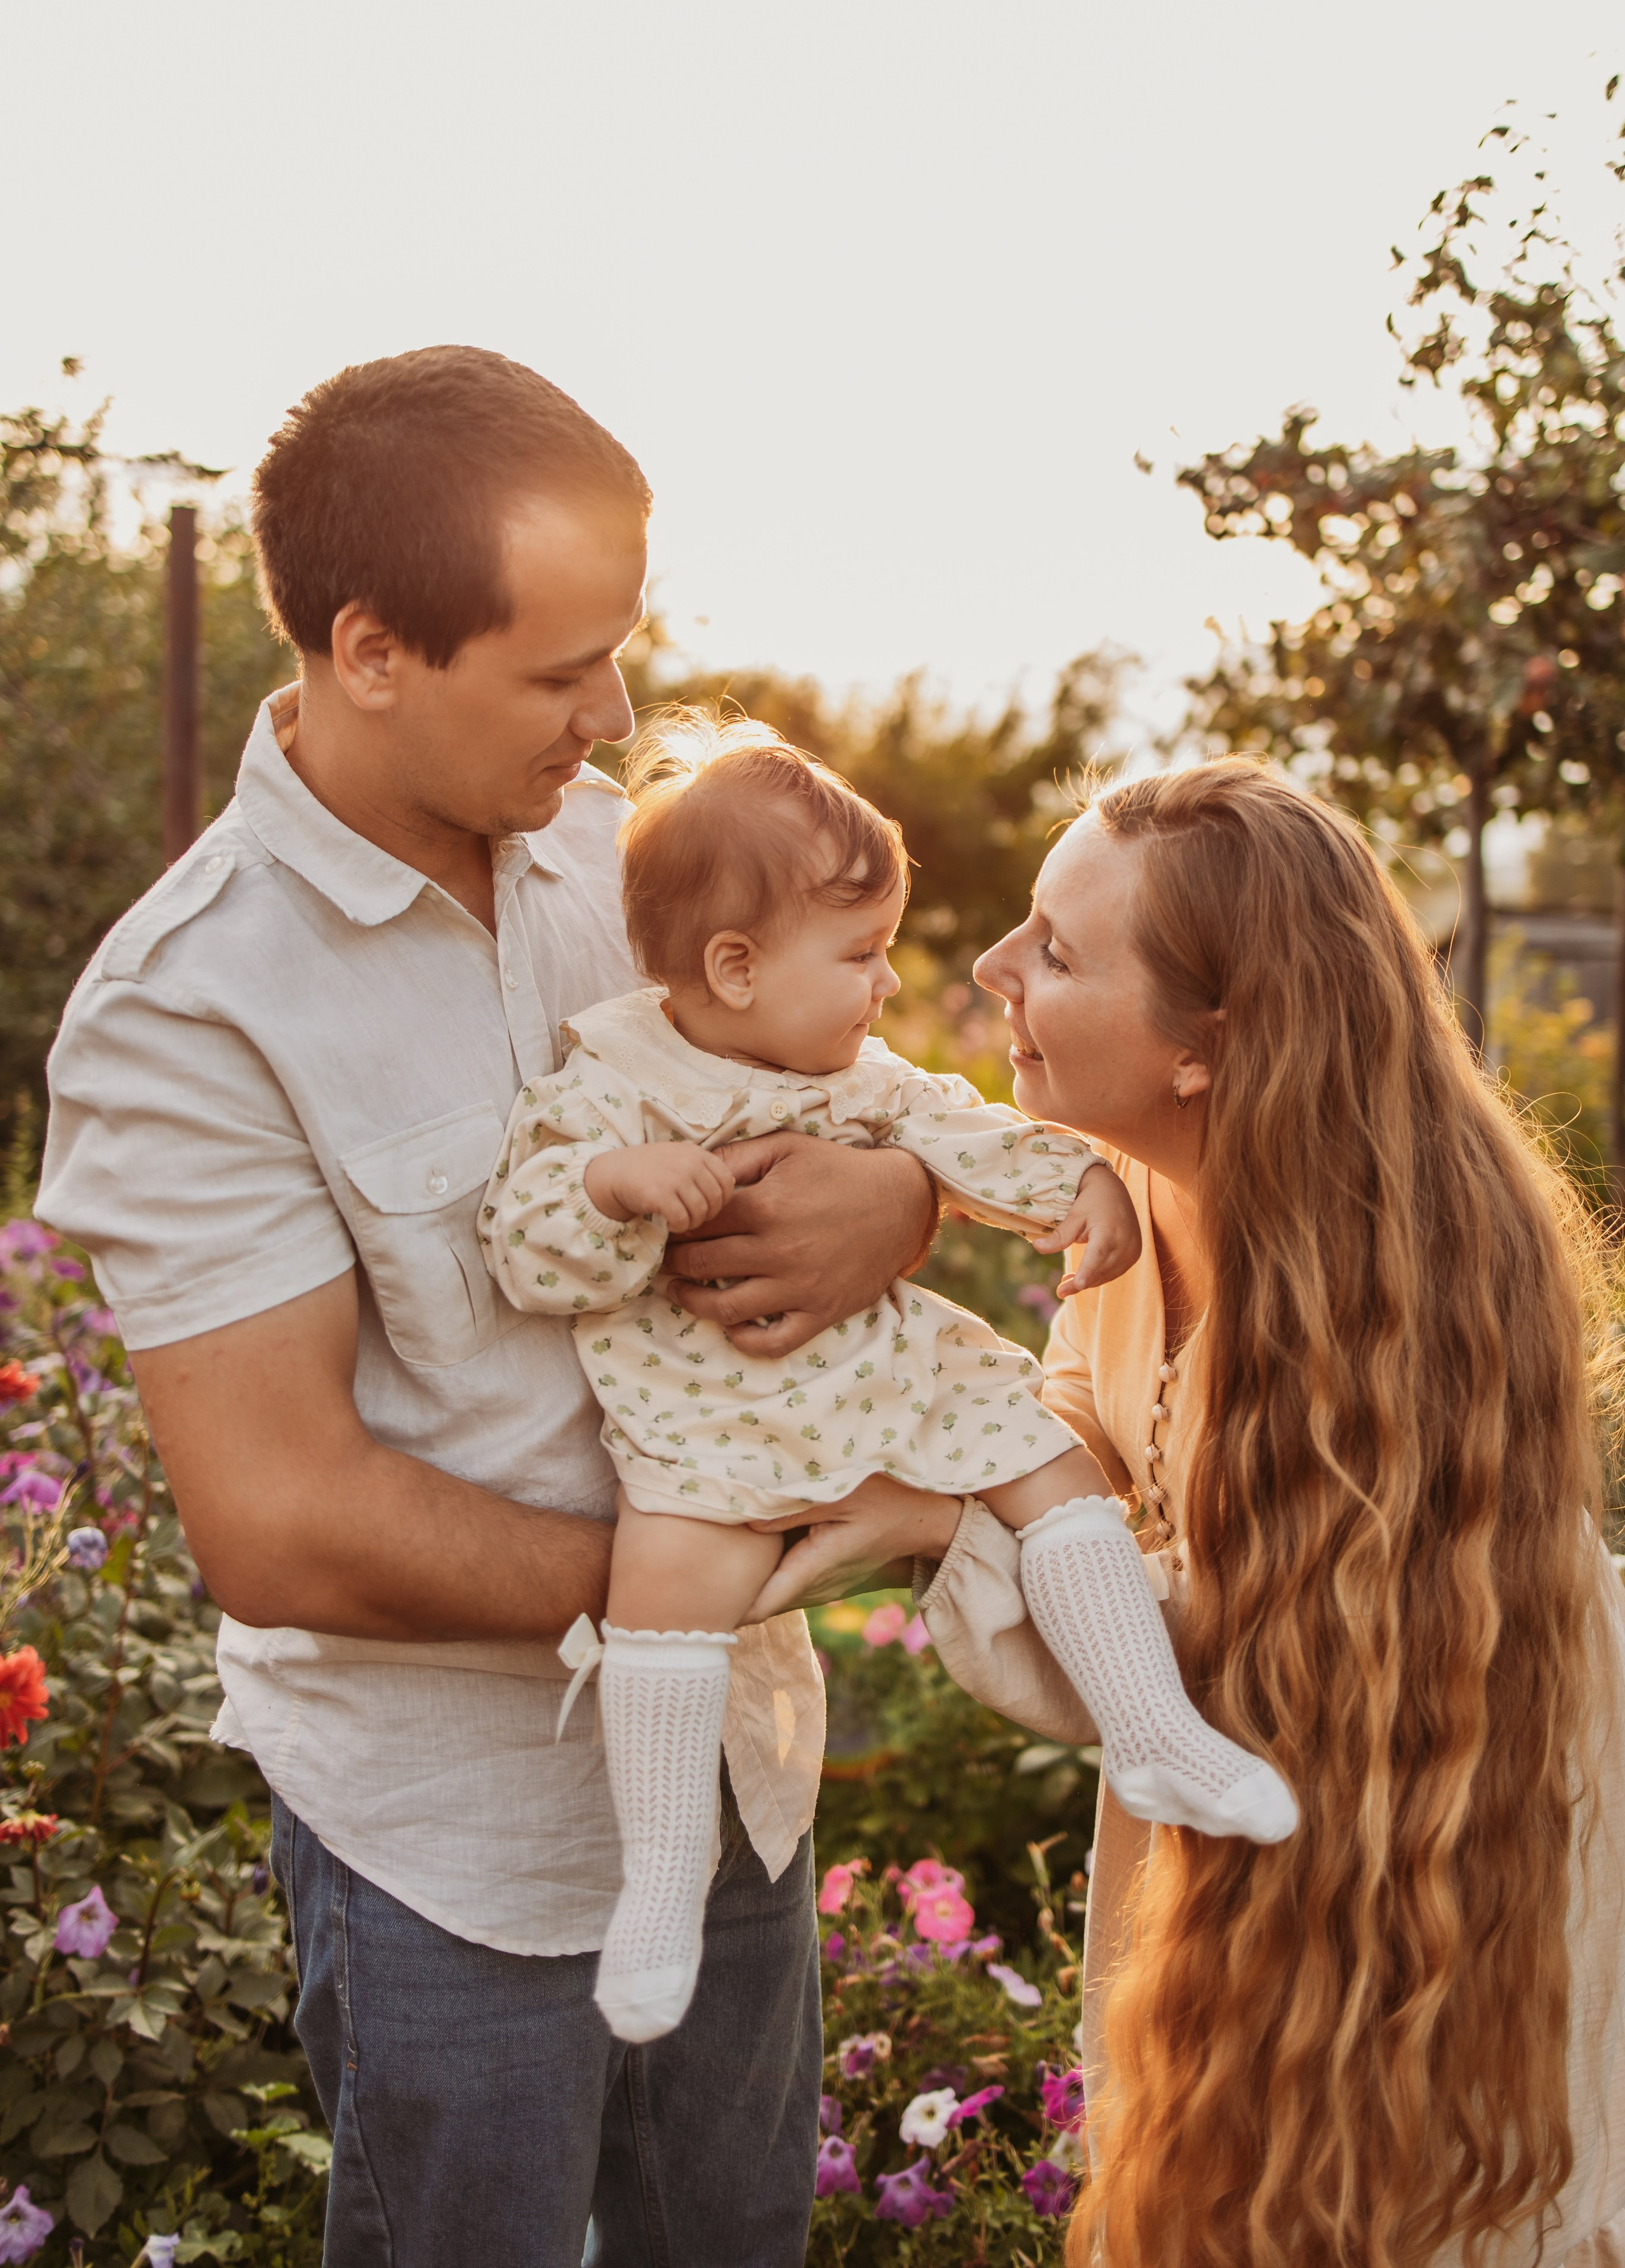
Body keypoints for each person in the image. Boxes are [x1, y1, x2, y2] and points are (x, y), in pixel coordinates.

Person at [34, 345, 945, 2268]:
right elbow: (281, 1524)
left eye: (618, 650)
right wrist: (721, 1574)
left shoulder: (623, 857)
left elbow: (838, 1078)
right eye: (557, 671)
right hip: (455, 1854)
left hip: (731, 1793)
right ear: (372, 650)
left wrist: (899, 1197)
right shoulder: (192, 1010)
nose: (613, 708)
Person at [757, 758, 1625, 2266]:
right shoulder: (1131, 1187)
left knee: (1421, 2199)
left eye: (1059, 951)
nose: (989, 971)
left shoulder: (1391, 1288)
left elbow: (1213, 1648)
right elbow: (1079, 1447)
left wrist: (934, 1518)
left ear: (1203, 1048)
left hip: (1437, 1816)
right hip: (1248, 1801)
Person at [480, 713, 1297, 2043]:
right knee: (668, 1588)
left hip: (885, 1381)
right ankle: (658, 1886)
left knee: (1048, 1464)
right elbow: (529, 1245)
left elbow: (966, 1133)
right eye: (859, 957)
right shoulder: (614, 1079)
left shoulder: (860, 1076)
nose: (888, 986)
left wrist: (1078, 1183)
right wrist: (613, 1187)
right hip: (706, 1408)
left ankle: (1152, 1727)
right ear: (734, 968)